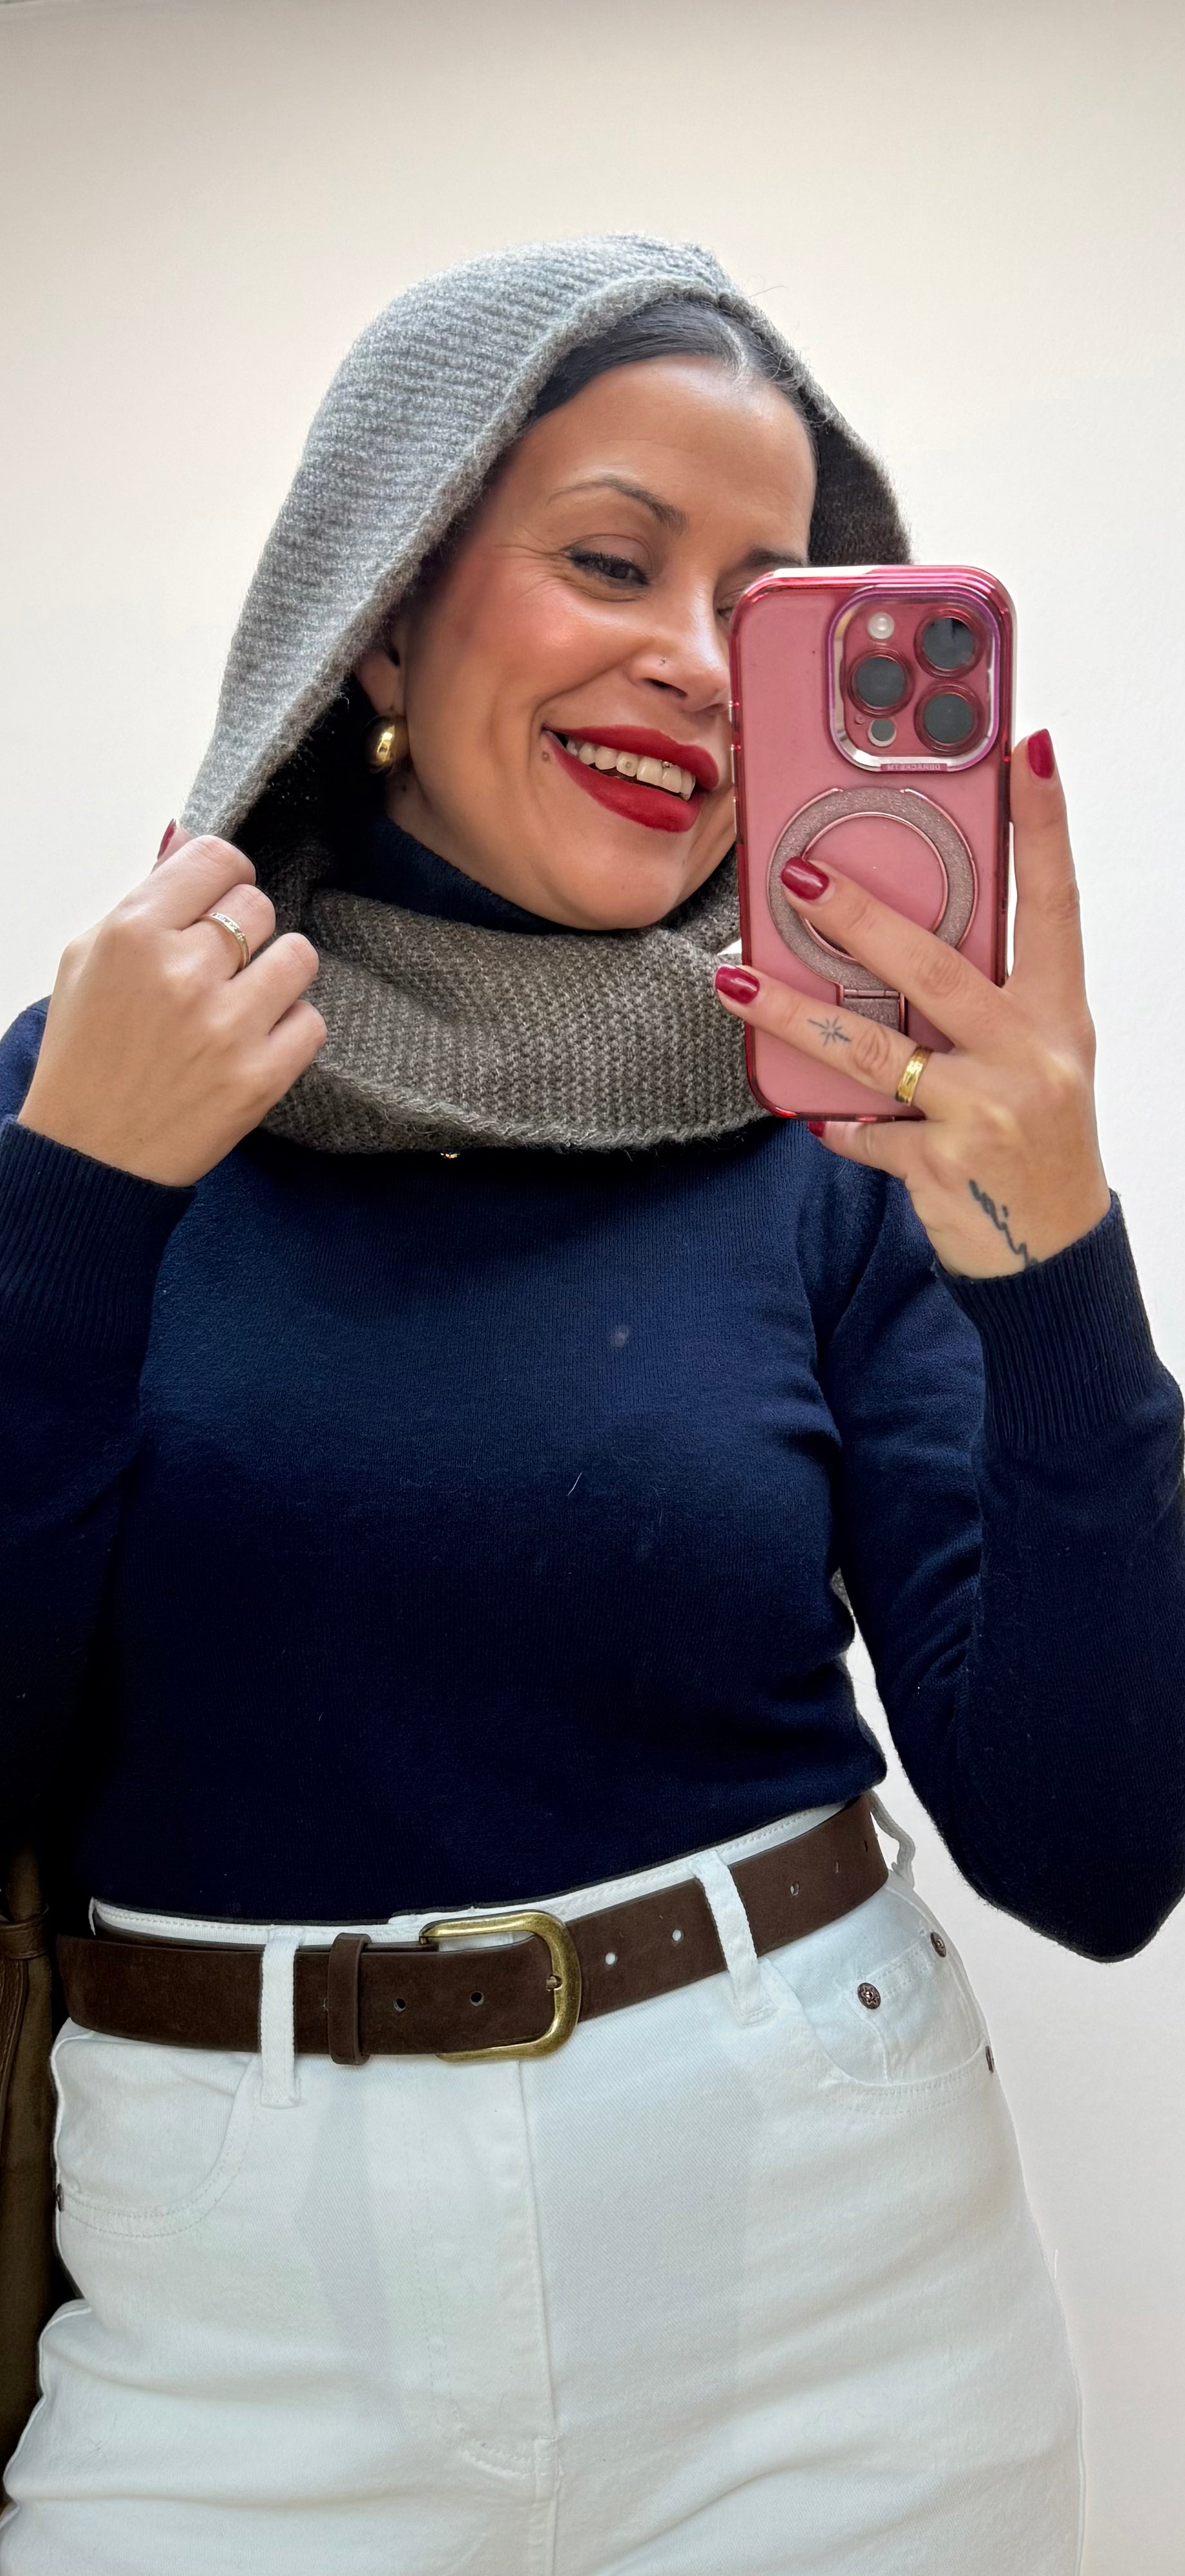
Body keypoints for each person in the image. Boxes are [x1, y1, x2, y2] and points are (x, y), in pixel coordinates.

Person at [1, 232, 1182, 2576]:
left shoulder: (839, 1135)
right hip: (235, 2336)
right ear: (382, 609)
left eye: (767, 601)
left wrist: (1054, 1261)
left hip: (841, 2307)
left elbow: (1096, 1848)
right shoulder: (111, 1084)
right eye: (614, 561)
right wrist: (71, 1206)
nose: (698, 663)